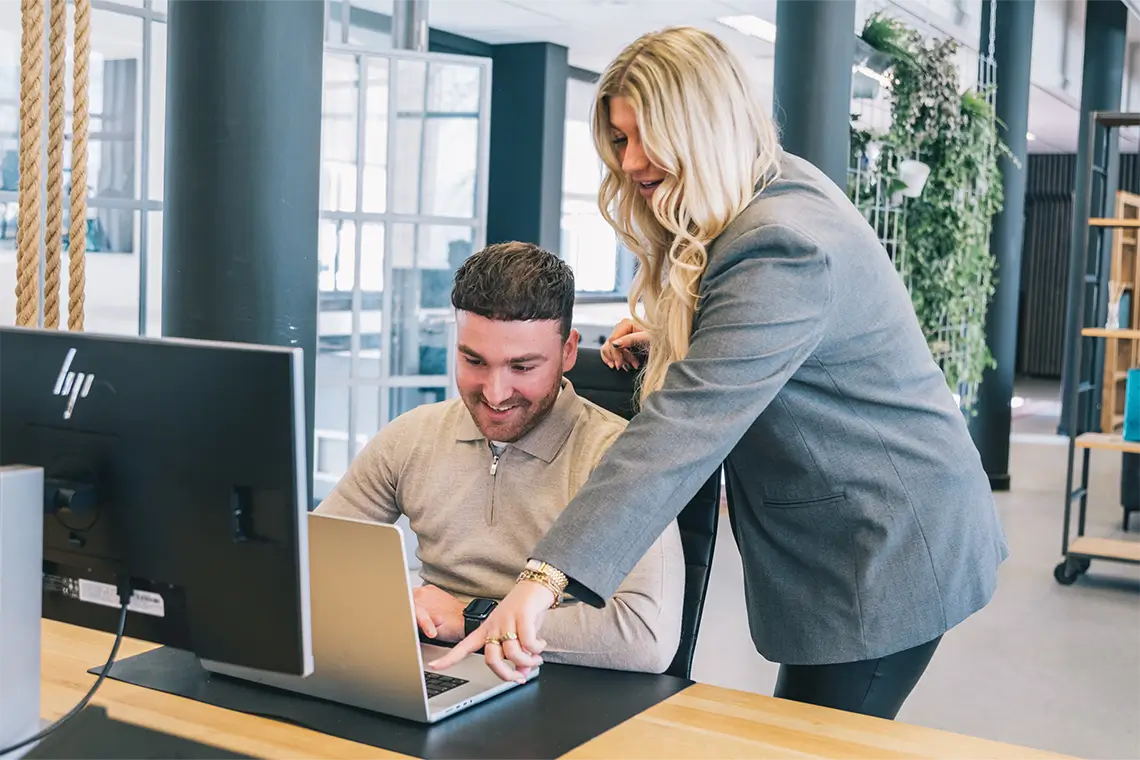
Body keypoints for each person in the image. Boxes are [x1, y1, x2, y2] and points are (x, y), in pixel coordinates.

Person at [431, 27, 1009, 720]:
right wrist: (699, 337)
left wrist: (542, 577)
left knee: (814, 739)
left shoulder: (781, 243)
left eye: (647, 138)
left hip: (886, 540)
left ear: (703, 129)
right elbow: (779, 331)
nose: (631, 162)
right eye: (619, 139)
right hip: (870, 524)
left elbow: (678, 433)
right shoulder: (767, 181)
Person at [315, 241, 685, 674]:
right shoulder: (411, 438)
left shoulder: (623, 457)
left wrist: (469, 619)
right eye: (474, 361)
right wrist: (390, 602)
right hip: (436, 670)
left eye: (522, 367)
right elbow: (312, 566)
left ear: (568, 351)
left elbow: (645, 637)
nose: (494, 393)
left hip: (563, 684)